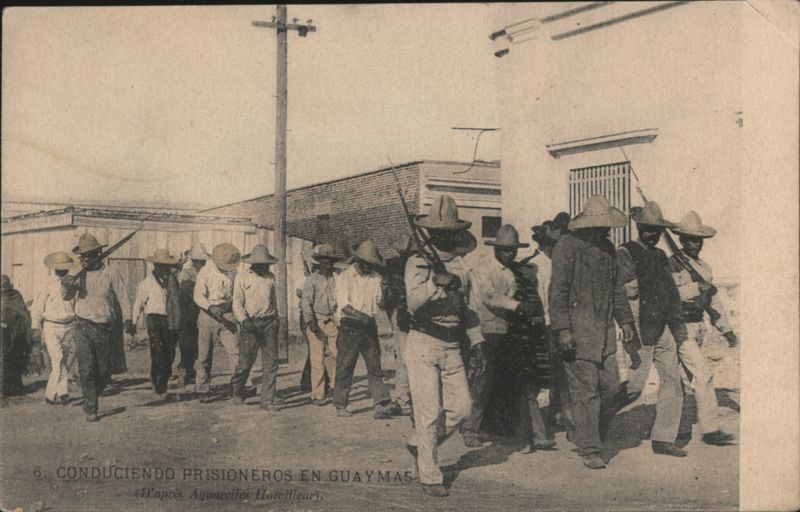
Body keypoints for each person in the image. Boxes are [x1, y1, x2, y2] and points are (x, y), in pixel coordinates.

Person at [404, 194, 487, 497]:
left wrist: (477, 342)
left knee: (462, 409)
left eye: (449, 231)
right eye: (438, 231)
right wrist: (435, 284)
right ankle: (430, 476)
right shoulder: (417, 262)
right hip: (423, 342)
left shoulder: (462, 265)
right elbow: (413, 303)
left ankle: (419, 445)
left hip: (453, 345)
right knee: (428, 412)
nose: (444, 236)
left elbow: (469, 308)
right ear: (431, 232)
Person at [549, 196, 640, 469]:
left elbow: (617, 291)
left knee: (610, 389)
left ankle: (578, 427)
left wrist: (625, 322)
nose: (605, 230)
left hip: (604, 334)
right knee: (586, 390)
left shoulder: (609, 249)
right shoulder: (567, 247)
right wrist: (563, 329)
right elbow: (558, 292)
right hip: (577, 333)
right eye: (600, 226)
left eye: (606, 226)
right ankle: (589, 447)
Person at [617, 201, 691, 457]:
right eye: (649, 229)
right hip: (639, 327)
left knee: (672, 381)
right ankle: (595, 421)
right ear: (639, 226)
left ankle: (663, 439)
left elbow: (670, 291)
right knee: (635, 386)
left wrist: (674, 318)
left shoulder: (660, 256)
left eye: (657, 231)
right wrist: (629, 327)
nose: (653, 235)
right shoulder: (625, 252)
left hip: (662, 327)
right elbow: (629, 294)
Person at [462, 225, 545, 447]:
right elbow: (490, 297)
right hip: (484, 330)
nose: (509, 254)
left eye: (512, 250)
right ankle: (470, 428)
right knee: (483, 381)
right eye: (505, 250)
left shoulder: (513, 272)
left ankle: (495, 428)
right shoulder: (483, 269)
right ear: (496, 249)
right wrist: (519, 306)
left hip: (506, 331)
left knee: (505, 382)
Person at [668, 211, 737, 447]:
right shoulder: (671, 264)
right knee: (703, 375)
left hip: (698, 328)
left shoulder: (704, 268)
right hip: (679, 327)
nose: (694, 244)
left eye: (698, 240)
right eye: (689, 239)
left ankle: (673, 429)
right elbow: (669, 296)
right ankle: (710, 429)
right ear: (681, 240)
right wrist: (696, 287)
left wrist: (726, 329)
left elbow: (712, 301)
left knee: (682, 380)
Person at [62, 234, 135, 422]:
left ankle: (95, 392)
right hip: (82, 325)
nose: (84, 259)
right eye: (82, 256)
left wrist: (128, 320)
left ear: (98, 254)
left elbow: (124, 298)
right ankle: (90, 408)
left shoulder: (110, 272)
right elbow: (66, 296)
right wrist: (68, 286)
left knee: (102, 371)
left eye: (88, 255)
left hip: (104, 327)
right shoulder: (77, 274)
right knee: (86, 369)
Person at [332, 239, 394, 419]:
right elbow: (344, 305)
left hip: (369, 327)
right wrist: (362, 317)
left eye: (372, 264)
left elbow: (380, 304)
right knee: (345, 366)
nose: (369, 267)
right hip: (350, 326)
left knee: (375, 366)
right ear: (358, 260)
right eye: (366, 263)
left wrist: (386, 294)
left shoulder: (376, 279)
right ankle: (340, 404)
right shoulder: (345, 277)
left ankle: (380, 404)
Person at [530, 212, 572, 430]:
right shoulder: (536, 266)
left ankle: (557, 414)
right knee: (543, 372)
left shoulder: (560, 264)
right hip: (543, 326)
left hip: (557, 325)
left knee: (560, 371)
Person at [230, 244, 281, 410]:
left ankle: (267, 400)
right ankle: (237, 391)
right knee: (245, 363)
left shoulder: (270, 277)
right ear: (253, 264)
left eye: (266, 263)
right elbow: (237, 301)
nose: (263, 266)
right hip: (250, 324)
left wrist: (276, 319)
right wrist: (243, 320)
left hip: (269, 323)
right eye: (260, 264)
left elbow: (273, 300)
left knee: (271, 363)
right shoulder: (243, 277)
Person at [193, 243, 242, 403]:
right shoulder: (205, 272)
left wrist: (230, 305)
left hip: (228, 315)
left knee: (235, 352)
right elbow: (198, 296)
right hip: (208, 315)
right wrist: (210, 307)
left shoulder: (233, 272)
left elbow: (237, 293)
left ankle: (237, 387)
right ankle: (202, 388)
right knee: (204, 354)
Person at [132, 248, 182, 401]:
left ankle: (162, 379)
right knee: (158, 352)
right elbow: (138, 304)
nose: (164, 268)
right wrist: (133, 322)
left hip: (170, 321)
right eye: (160, 265)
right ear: (155, 265)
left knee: (170, 353)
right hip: (154, 320)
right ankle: (159, 386)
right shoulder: (146, 283)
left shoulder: (173, 282)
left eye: (166, 265)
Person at [30, 252, 78, 405]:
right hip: (51, 325)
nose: (62, 270)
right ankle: (50, 394)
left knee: (64, 360)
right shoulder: (46, 284)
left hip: (70, 325)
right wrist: (35, 327)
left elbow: (77, 304)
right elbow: (37, 307)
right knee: (57, 359)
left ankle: (63, 392)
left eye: (65, 268)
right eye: (59, 268)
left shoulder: (73, 283)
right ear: (54, 268)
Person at [383, 233, 419, 416]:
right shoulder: (401, 267)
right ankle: (404, 399)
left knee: (405, 359)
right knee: (406, 359)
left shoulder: (395, 267)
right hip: (404, 315)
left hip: (408, 315)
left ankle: (404, 399)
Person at [301, 243, 341, 406]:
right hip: (317, 319)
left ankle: (335, 388)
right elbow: (306, 302)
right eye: (324, 260)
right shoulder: (312, 279)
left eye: (330, 260)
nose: (327, 263)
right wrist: (311, 321)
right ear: (319, 261)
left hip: (333, 320)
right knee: (317, 358)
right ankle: (317, 394)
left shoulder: (337, 278)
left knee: (334, 355)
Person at [176, 242, 208, 395]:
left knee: (200, 348)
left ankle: (196, 377)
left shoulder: (206, 272)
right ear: (194, 260)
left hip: (201, 313)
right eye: (199, 260)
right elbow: (187, 294)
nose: (202, 263)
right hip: (188, 314)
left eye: (203, 260)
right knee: (187, 347)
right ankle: (183, 376)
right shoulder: (186, 273)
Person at [1, 275, 32, 400]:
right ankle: (3, 389)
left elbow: (23, 312)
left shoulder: (15, 295)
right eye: (2, 286)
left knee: (15, 358)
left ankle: (16, 388)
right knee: (2, 359)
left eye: (5, 285)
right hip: (2, 333)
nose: (3, 288)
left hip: (16, 333)